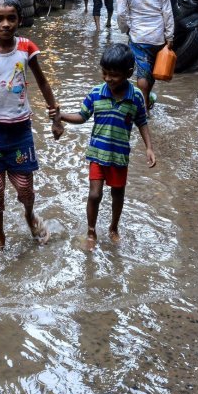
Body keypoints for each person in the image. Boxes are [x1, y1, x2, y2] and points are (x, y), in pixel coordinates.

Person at [0, 0, 65, 255]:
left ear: (19, 20)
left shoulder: (27, 48)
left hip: (20, 129)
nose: (6, 24)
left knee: (25, 188)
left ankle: (29, 214)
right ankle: (0, 236)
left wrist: (55, 116)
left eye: (11, 18)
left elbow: (43, 82)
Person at [51, 44, 156, 250]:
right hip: (97, 153)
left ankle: (113, 228)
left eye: (114, 75)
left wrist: (149, 148)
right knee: (94, 194)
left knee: (118, 193)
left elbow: (142, 122)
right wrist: (61, 116)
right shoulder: (96, 93)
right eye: (105, 73)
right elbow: (82, 117)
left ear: (128, 73)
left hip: (119, 156)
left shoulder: (135, 97)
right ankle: (91, 231)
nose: (108, 79)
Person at [115, 0, 174, 110]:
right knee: (152, 69)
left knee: (142, 71)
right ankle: (147, 100)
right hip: (158, 36)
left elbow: (121, 13)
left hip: (139, 35)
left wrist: (126, 28)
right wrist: (169, 36)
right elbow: (167, 11)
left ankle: (144, 106)